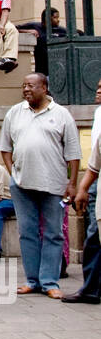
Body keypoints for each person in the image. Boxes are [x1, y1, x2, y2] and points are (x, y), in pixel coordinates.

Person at [0, 72, 81, 299]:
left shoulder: (61, 115)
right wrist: (12, 173)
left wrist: (72, 184)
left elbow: (74, 154)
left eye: (31, 86)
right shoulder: (15, 113)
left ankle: (49, 281)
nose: (26, 90)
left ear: (44, 88)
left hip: (53, 184)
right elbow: (5, 147)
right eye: (24, 86)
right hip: (22, 184)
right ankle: (32, 280)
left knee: (53, 234)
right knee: (27, 233)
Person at [64, 76, 101, 305]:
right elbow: (94, 165)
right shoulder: (98, 114)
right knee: (93, 237)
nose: (98, 92)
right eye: (97, 87)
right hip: (98, 183)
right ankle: (91, 289)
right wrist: (83, 189)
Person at [14, 8, 67, 79]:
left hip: (58, 70)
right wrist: (28, 31)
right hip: (41, 72)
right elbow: (14, 29)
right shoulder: (35, 26)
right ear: (47, 18)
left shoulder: (61, 30)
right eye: (55, 17)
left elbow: (78, 34)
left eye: (58, 17)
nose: (58, 20)